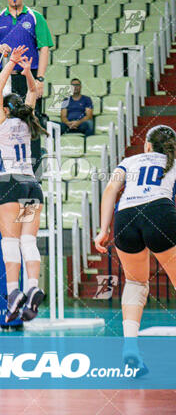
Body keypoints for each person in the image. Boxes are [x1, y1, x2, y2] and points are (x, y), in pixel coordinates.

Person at [94, 125, 176, 376]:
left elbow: (110, 190)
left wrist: (103, 229)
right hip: (160, 212)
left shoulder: (129, 161)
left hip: (126, 217)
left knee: (136, 283)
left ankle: (130, 345)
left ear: (147, 146)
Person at [0, 44, 47, 323]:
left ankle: (14, 293)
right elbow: (34, 92)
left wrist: (10, 65)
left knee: (10, 241)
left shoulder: (0, 121)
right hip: (32, 186)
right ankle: (33, 286)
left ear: (4, 108)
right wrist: (27, 73)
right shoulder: (27, 121)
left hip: (10, 183)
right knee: (28, 240)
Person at [0, 0, 53, 178]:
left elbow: (44, 48)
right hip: (5, 78)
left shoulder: (35, 17)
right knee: (2, 122)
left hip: (27, 77)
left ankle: (34, 177)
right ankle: (3, 172)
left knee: (29, 122)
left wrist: (39, 78)